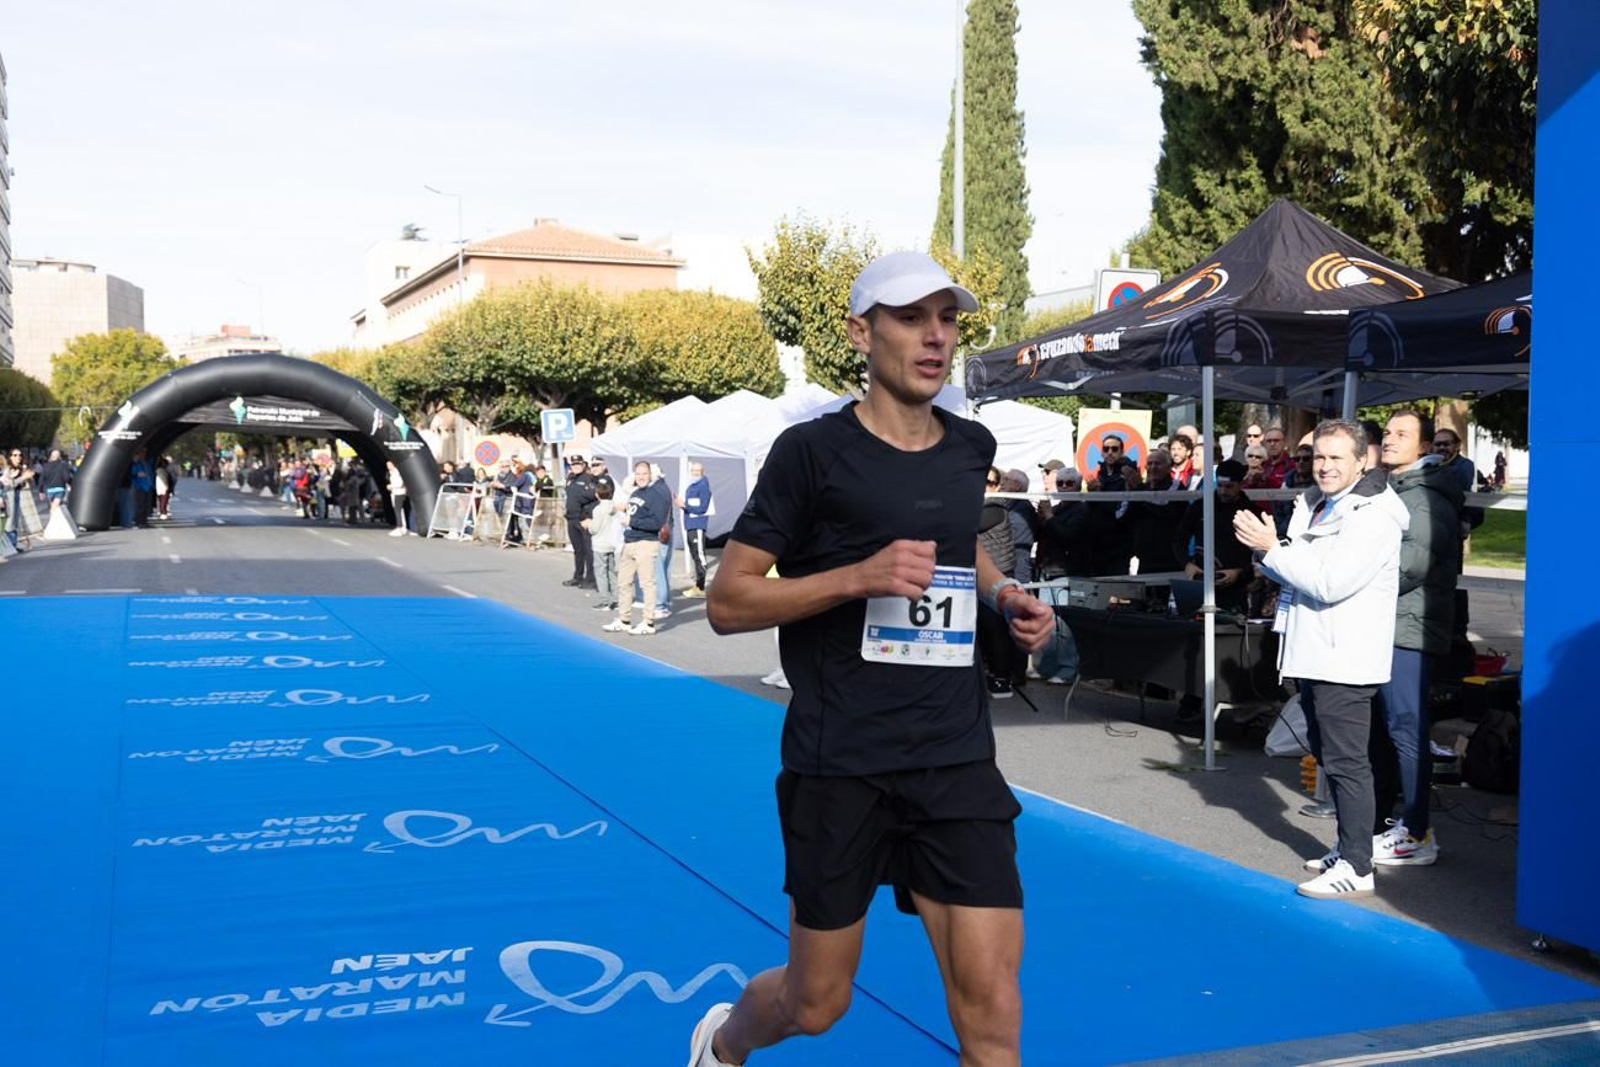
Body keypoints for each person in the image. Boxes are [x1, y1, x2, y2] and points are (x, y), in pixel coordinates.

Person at [693, 251, 1053, 1067]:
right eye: (911, 317)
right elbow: (728, 601)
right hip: (841, 756)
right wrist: (859, 576)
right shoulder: (811, 453)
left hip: (955, 755)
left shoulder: (971, 445)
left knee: (994, 1015)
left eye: (948, 318)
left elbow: (959, 548)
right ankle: (723, 1041)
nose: (936, 337)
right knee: (815, 1003)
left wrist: (1004, 598)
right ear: (862, 332)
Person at [1233, 419, 1409, 899]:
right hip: (1316, 650)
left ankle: (1357, 864)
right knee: (1335, 757)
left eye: (1336, 458)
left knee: (1348, 762)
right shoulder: (1327, 503)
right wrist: (1276, 549)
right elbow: (1307, 571)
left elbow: (1331, 583)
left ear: (1361, 461)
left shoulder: (1372, 514)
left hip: (1343, 655)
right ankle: (1350, 847)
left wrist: (1273, 549)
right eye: (1319, 457)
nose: (1325, 466)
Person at [1369, 410, 1461, 867]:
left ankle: (1417, 831)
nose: (1389, 439)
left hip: (1409, 627)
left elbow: (1409, 567)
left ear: (1423, 447)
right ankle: (1391, 823)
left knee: (1406, 729)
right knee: (1389, 731)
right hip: (1391, 623)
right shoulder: (1395, 490)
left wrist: (1353, 581)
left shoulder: (1423, 499)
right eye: (1387, 432)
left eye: (1402, 434)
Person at [1172, 459, 1256, 612]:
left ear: (1240, 484)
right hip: (1201, 582)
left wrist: (1239, 571)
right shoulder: (1200, 506)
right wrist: (1187, 564)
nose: (1224, 491)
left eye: (1229, 487)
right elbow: (1179, 540)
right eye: (1220, 486)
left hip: (1236, 587)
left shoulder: (1251, 511)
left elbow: (1259, 551)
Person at [603, 461, 670, 636]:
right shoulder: (635, 493)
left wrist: (632, 521)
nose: (641, 477)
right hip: (630, 542)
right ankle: (624, 620)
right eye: (638, 474)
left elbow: (657, 522)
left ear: (650, 475)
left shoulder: (655, 494)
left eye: (644, 474)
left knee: (647, 583)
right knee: (623, 582)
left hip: (646, 543)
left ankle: (648, 622)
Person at [678, 461, 713, 598]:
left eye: (697, 471)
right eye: (693, 471)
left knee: (699, 556)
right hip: (690, 525)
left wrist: (685, 505)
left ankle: (701, 587)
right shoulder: (694, 485)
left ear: (702, 471)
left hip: (697, 525)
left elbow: (702, 508)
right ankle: (698, 585)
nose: (694, 473)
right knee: (695, 556)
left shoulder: (703, 486)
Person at [584, 481, 622, 611]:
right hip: (612, 543)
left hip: (600, 544)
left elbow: (595, 529)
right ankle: (617, 600)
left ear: (597, 495)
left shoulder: (598, 509)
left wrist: (588, 524)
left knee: (600, 573)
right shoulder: (614, 506)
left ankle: (605, 600)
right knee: (612, 572)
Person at [563, 456, 598, 588]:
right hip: (571, 518)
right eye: (574, 464)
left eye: (579, 464)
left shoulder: (588, 478)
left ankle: (590, 579)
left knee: (588, 550)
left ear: (583, 465)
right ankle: (577, 576)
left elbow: (594, 496)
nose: (576, 466)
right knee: (578, 550)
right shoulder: (570, 478)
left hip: (584, 518)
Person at [37, 449, 74, 519]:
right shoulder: (63, 465)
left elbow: (41, 479)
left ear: (51, 456)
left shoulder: (46, 466)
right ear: (59, 457)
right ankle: (53, 523)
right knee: (54, 508)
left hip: (49, 490)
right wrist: (70, 484)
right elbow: (66, 477)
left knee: (53, 507)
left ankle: (53, 523)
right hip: (60, 489)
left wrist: (40, 491)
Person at [387, 463, 409, 536]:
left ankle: (399, 527)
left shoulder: (397, 473)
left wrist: (391, 486)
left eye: (389, 465)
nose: (388, 467)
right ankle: (403, 527)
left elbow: (400, 483)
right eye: (387, 465)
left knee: (398, 510)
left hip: (399, 492)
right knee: (399, 510)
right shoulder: (391, 473)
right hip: (395, 492)